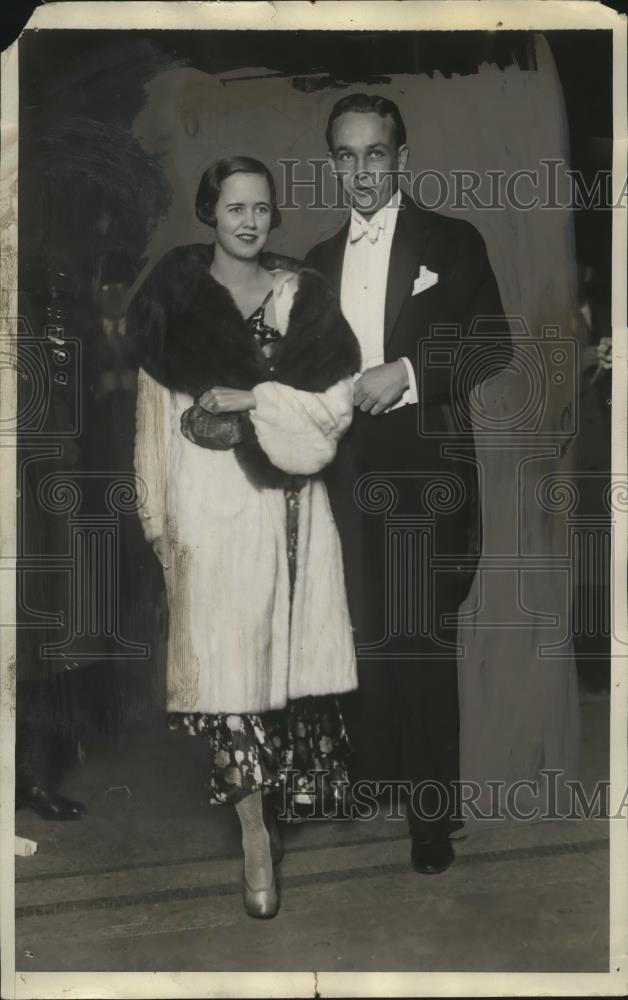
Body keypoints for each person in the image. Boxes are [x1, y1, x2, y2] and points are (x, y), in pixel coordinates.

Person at [127, 156, 360, 918]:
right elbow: (155, 422)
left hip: (292, 507)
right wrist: (161, 526)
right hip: (211, 511)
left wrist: (258, 398)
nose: (250, 220)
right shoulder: (173, 296)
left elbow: (330, 415)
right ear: (210, 212)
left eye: (261, 207)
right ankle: (254, 837)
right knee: (231, 685)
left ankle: (271, 815)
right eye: (234, 207)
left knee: (281, 686)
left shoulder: (305, 297)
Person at [305, 94, 512, 874]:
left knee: (422, 640)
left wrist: (412, 374)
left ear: (402, 158)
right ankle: (370, 779)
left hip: (427, 472)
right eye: (346, 156)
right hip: (344, 471)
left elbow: (493, 347)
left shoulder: (452, 242)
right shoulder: (318, 262)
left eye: (375, 155)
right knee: (358, 632)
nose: (361, 172)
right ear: (333, 163)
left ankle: (432, 818)